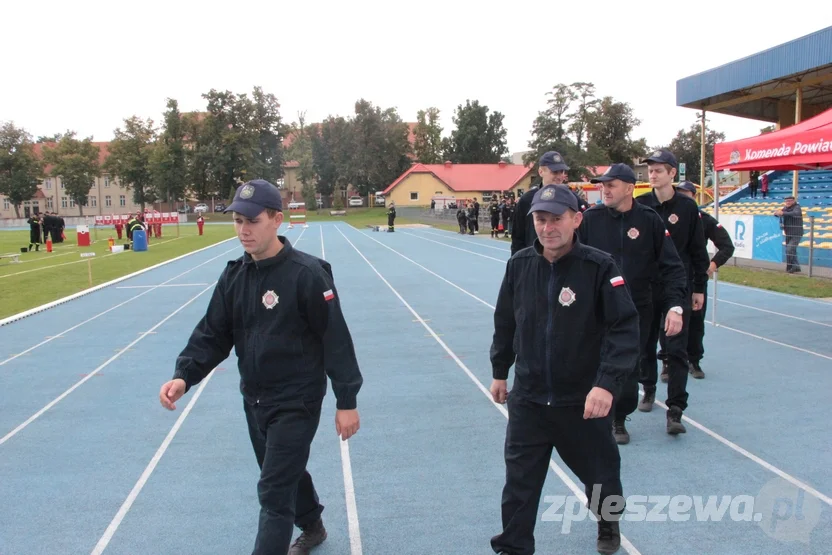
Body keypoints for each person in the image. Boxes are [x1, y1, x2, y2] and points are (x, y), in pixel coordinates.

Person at [158, 179, 363, 555]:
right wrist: (183, 376)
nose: (243, 230)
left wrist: (346, 399)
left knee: (272, 490)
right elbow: (213, 333)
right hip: (255, 399)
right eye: (237, 221)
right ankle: (313, 525)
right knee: (282, 472)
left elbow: (335, 338)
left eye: (252, 221)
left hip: (297, 400)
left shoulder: (307, 275)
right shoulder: (234, 276)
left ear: (277, 220)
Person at [489, 184, 640, 555]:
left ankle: (608, 522)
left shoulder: (599, 267)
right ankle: (513, 546)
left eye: (556, 219)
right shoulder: (519, 265)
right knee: (519, 484)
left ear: (576, 219)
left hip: (582, 401)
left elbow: (625, 328)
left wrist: (606, 384)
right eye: (541, 219)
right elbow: (506, 322)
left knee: (601, 476)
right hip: (529, 398)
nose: (547, 228)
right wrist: (499, 370)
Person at [578, 164, 688, 442]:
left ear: (629, 188)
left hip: (637, 309)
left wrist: (675, 306)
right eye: (603, 185)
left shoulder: (649, 220)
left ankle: (618, 417)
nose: (605, 189)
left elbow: (672, 266)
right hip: (596, 309)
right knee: (591, 362)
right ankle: (592, 413)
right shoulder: (590, 219)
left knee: (627, 366)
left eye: (611, 185)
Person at [634, 149, 708, 431]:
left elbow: (698, 250)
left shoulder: (688, 208)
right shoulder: (640, 206)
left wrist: (699, 287)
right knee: (644, 344)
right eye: (650, 171)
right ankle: (648, 387)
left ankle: (675, 408)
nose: (652, 175)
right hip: (646, 288)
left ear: (672, 173)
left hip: (678, 288)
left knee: (676, 349)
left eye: (658, 170)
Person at [675, 181, 735, 378]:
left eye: (685, 194)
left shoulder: (704, 220)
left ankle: (694, 361)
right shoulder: (666, 217)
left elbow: (727, 245)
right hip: (671, 278)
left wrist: (711, 266)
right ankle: (668, 361)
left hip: (695, 280)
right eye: (679, 194)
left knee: (695, 321)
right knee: (666, 320)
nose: (682, 198)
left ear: (694, 196)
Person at [510, 151, 589, 255]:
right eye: (555, 172)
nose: (560, 176)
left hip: (568, 262)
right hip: (535, 261)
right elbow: (518, 238)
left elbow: (586, 234)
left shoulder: (575, 200)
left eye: (562, 172)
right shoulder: (527, 200)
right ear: (541, 171)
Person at [774, 196, 803, 274]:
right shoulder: (785, 208)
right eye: (786, 201)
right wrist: (777, 213)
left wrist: (783, 213)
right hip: (788, 232)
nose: (788, 202)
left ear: (793, 201)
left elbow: (796, 213)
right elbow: (780, 213)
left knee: (789, 249)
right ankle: (793, 267)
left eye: (790, 201)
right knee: (791, 250)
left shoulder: (797, 207)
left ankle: (794, 266)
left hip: (796, 232)